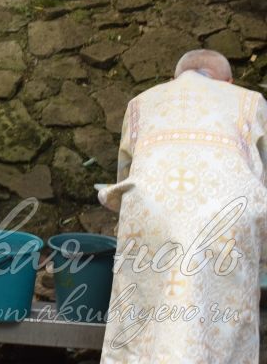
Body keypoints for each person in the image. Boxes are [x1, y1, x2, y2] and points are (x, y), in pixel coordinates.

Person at [97, 49, 267, 363]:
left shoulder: (142, 102)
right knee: (219, 320)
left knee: (145, 320)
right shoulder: (249, 101)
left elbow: (125, 173)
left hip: (151, 212)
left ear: (172, 80)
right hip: (227, 215)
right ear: (229, 81)